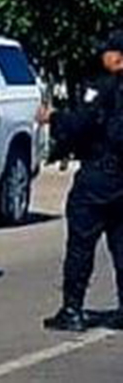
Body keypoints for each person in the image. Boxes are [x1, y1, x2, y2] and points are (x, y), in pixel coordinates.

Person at [37, 32, 123, 331]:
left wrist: (53, 118)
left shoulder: (102, 87)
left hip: (99, 175)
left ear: (117, 56)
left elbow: (80, 123)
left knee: (81, 244)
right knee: (121, 246)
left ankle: (72, 309)